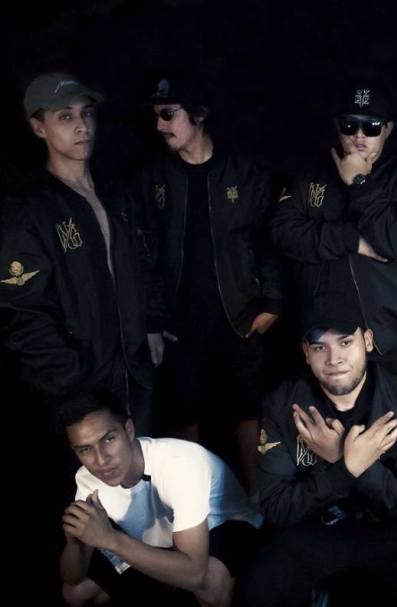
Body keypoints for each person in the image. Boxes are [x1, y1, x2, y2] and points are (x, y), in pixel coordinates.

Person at [134, 71, 283, 497]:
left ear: (198, 115)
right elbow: (143, 251)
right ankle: (192, 506)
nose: (160, 125)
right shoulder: (152, 176)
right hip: (179, 324)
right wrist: (153, 319)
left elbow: (269, 241)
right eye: (156, 115)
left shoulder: (244, 173)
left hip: (240, 316)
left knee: (246, 409)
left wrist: (272, 303)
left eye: (168, 114)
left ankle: (260, 503)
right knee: (184, 412)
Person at [243, 294, 397, 606]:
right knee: (258, 591)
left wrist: (350, 461)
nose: (333, 359)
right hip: (312, 529)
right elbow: (277, 508)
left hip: (386, 529)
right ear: (306, 353)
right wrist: (344, 469)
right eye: (319, 347)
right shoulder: (283, 404)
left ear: (368, 341)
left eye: (345, 342)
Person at [0, 72, 153, 429]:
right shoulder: (29, 209)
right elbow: (22, 309)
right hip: (79, 387)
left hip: (135, 372)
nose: (82, 125)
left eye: (86, 113)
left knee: (146, 459)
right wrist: (72, 380)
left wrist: (153, 326)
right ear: (39, 127)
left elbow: (145, 262)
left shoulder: (116, 195)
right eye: (65, 116)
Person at [272, 80, 397, 383]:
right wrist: (351, 240)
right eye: (349, 126)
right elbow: (283, 232)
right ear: (337, 126)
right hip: (322, 339)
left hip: (387, 337)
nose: (359, 136)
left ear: (387, 129)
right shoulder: (310, 174)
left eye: (371, 127)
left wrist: (360, 183)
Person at [59, 391, 262, 606]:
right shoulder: (87, 479)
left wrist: (110, 539)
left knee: (210, 585)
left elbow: (195, 574)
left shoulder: (179, 464)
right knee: (76, 593)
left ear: (129, 430)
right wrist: (75, 541)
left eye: (108, 439)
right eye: (85, 449)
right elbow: (72, 579)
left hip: (221, 526)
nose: (101, 460)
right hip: (162, 541)